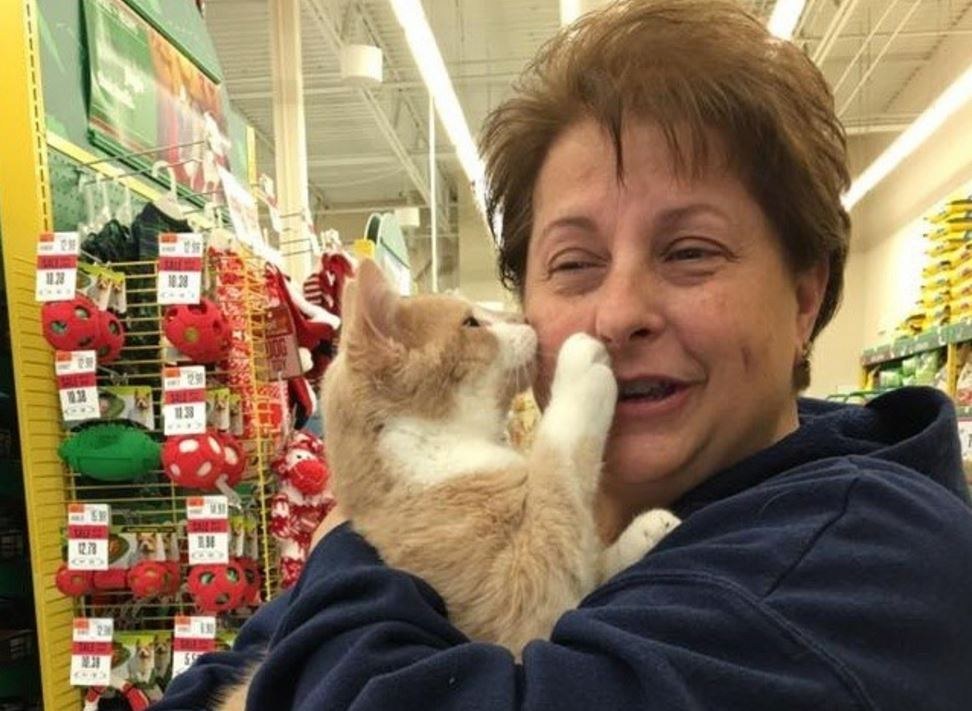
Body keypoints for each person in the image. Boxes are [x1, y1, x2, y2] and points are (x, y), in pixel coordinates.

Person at [156, 1, 972, 709]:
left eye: (691, 251)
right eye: (574, 264)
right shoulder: (523, 493)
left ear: (804, 295)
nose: (618, 314)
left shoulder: (862, 564)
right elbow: (222, 675)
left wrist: (344, 543)